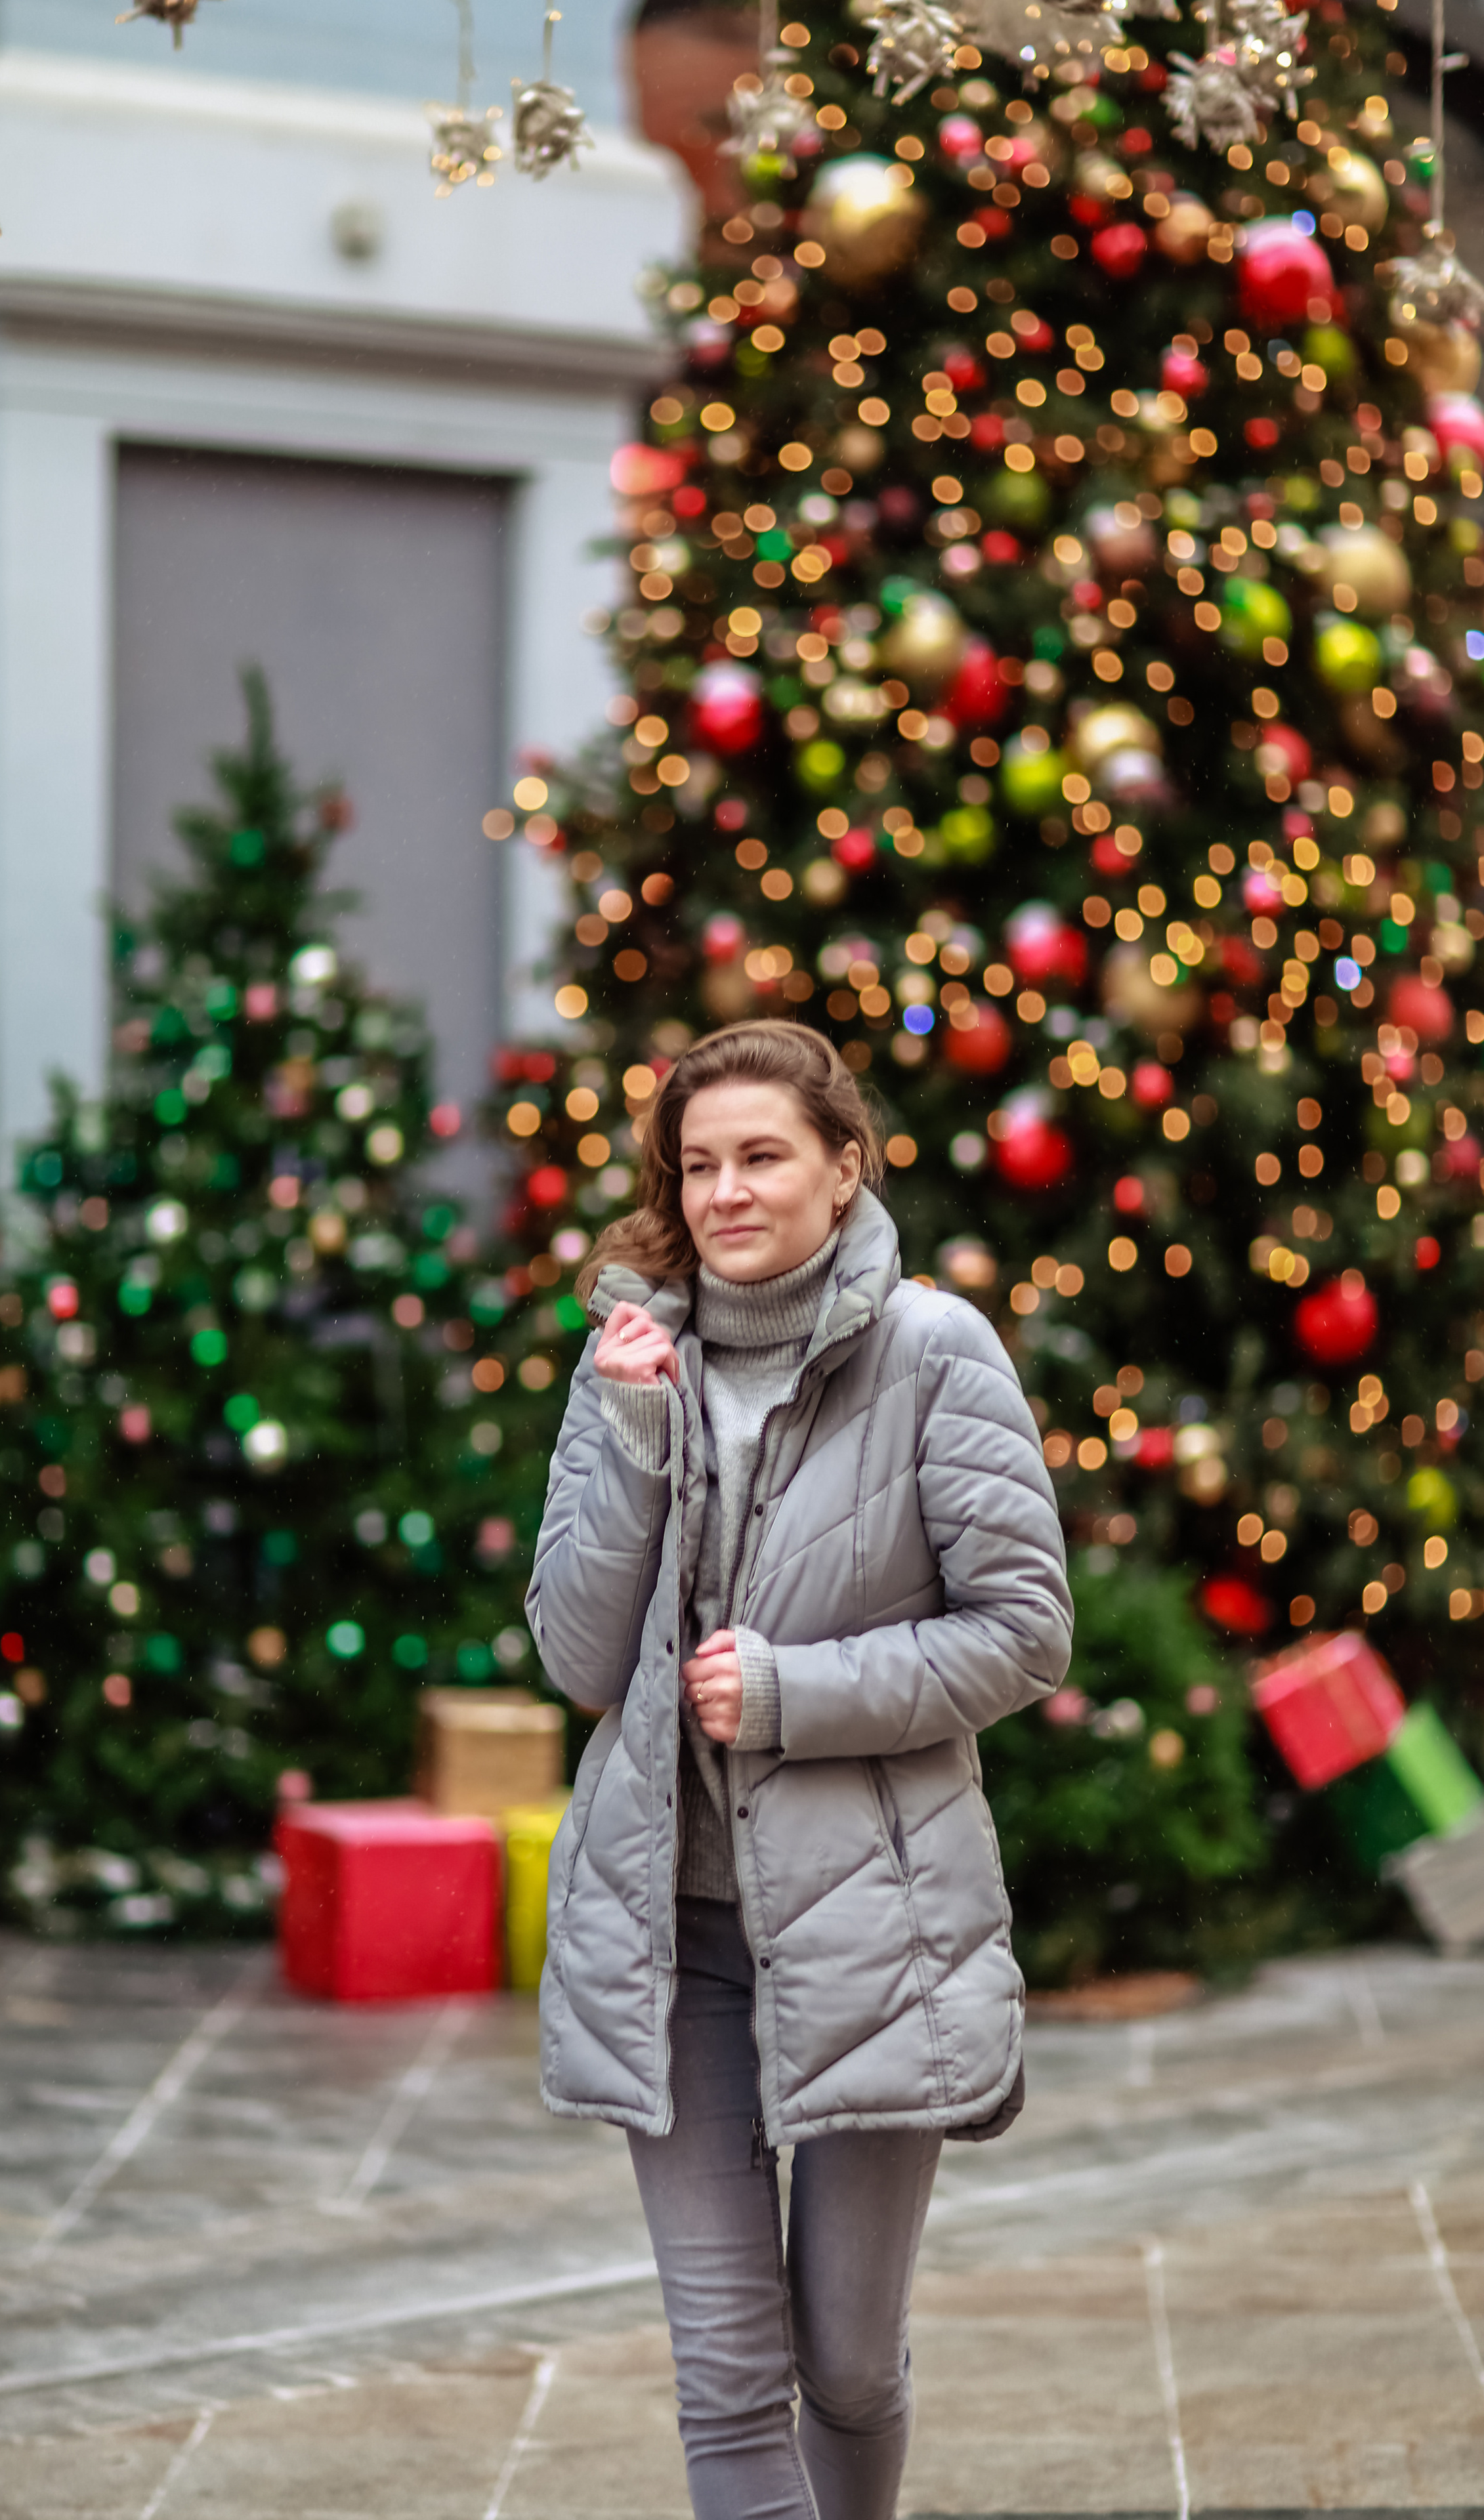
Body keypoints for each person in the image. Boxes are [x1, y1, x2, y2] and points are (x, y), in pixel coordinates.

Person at [528, 1019, 1072, 2520]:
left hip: (871, 1932)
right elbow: (578, 1661)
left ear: (844, 1169)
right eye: (695, 1165)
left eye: (760, 1156)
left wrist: (789, 1696)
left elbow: (1024, 1634)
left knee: (842, 2359)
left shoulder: (932, 1354)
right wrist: (633, 1434)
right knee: (722, 2372)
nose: (725, 1192)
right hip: (667, 1940)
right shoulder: (631, 1364)